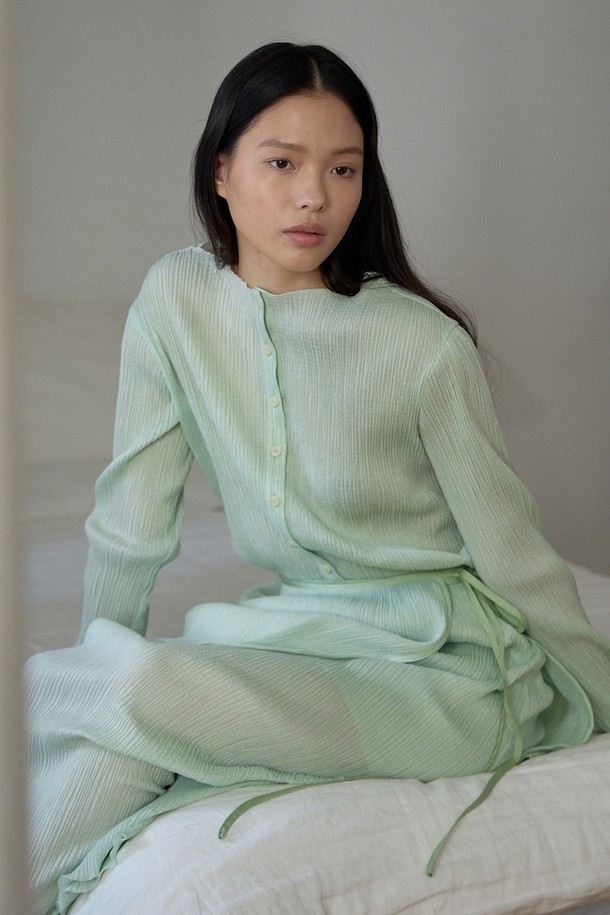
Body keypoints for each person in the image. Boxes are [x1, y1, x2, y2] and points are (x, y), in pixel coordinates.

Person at [27, 41, 610, 915]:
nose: (315, 196)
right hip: (297, 629)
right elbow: (130, 522)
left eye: (344, 168)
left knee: (136, 687)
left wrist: (596, 688)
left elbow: (512, 548)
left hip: (446, 672)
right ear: (220, 172)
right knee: (116, 729)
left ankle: (56, 689)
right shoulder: (173, 301)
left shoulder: (422, 344)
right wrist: (101, 662)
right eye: (283, 163)